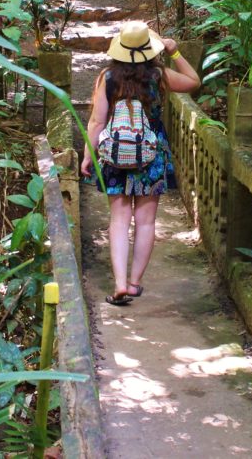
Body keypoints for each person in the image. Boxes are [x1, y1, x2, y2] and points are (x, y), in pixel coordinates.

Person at [80, 21, 200, 305]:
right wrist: (174, 52)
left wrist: (87, 155)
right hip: (151, 154)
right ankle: (134, 284)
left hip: (115, 155)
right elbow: (193, 81)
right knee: (145, 222)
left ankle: (119, 284)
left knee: (119, 220)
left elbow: (97, 121)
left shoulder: (108, 77)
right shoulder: (159, 76)